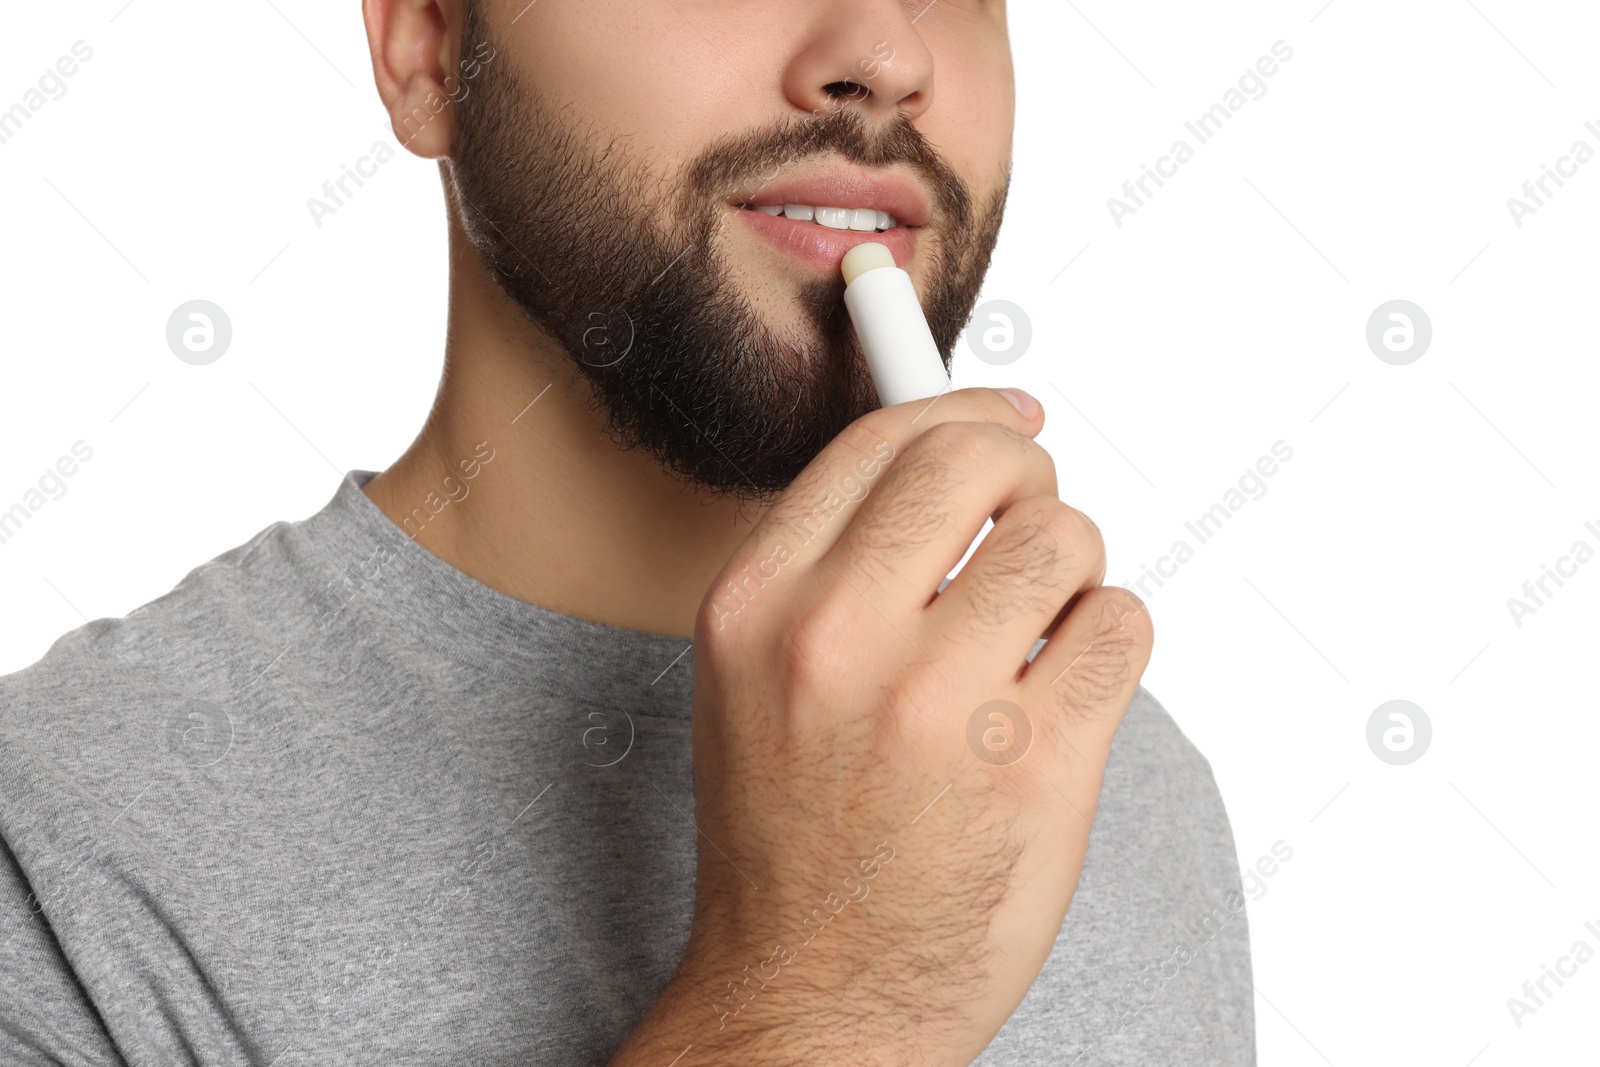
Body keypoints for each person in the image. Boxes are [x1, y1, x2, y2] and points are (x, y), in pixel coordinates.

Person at [0, 1, 1254, 1063]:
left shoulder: (1116, 776)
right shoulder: (61, 854)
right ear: (430, 46)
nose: (885, 49)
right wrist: (826, 993)